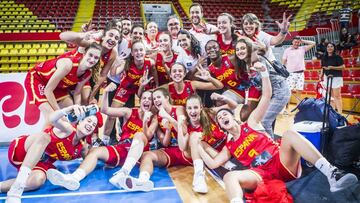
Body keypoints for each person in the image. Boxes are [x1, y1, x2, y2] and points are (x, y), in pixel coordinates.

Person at [194, 64, 358, 203]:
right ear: (222, 127)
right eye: (220, 118)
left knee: (288, 134)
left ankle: (332, 174)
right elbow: (214, 163)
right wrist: (198, 146)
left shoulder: (251, 122)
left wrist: (264, 72)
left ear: (233, 117)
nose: (222, 116)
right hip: (260, 174)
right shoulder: (230, 146)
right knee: (230, 177)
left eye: (225, 114)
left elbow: (266, 96)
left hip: (280, 160)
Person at [45, 84, 157, 191]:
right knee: (95, 151)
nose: (146, 100)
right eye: (144, 98)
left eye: (149, 99)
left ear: (152, 103)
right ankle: (74, 178)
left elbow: (148, 136)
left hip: (138, 152)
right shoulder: (129, 111)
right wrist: (106, 93)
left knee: (139, 135)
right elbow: (105, 110)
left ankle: (127, 174)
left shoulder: (154, 118)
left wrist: (145, 122)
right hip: (122, 148)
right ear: (140, 100)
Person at [3, 105, 102, 203]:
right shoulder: (68, 129)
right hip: (22, 150)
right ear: (80, 121)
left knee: (38, 180)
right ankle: (15, 192)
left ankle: (3, 186)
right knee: (44, 137)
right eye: (89, 121)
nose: (91, 125)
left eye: (94, 125)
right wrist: (64, 111)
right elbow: (52, 119)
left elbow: (90, 160)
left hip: (38, 163)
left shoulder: (82, 148)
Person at [109, 88, 186, 192]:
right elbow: (165, 143)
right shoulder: (157, 118)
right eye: (154, 99)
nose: (156, 100)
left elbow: (184, 131)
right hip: (172, 151)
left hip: (185, 149)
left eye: (159, 97)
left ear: (167, 98)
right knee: (147, 155)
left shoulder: (178, 109)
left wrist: (168, 117)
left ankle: (199, 175)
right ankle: (142, 181)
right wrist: (167, 130)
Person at [24, 42, 102, 126]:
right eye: (90, 55)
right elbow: (48, 90)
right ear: (84, 53)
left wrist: (78, 109)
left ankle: (66, 138)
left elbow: (77, 93)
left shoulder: (87, 73)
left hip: (57, 87)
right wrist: (60, 113)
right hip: (38, 79)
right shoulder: (67, 65)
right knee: (52, 118)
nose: (92, 59)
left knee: (72, 115)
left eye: (96, 57)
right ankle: (43, 138)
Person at [240, 13, 292, 137]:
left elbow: (275, 40)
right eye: (245, 23)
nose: (248, 26)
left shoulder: (261, 36)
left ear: (256, 24)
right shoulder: (242, 40)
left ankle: (270, 148)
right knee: (256, 118)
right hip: (262, 85)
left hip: (274, 83)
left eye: (251, 23)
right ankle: (262, 143)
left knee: (265, 121)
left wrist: (283, 31)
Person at [102, 41, 157, 145]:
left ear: (145, 52)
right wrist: (115, 64)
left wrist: (157, 85)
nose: (138, 52)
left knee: (151, 108)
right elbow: (113, 73)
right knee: (111, 114)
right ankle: (105, 140)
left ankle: (151, 136)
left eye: (141, 50)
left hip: (141, 85)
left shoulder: (150, 62)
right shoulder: (126, 63)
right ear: (131, 53)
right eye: (135, 50)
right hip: (126, 87)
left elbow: (154, 71)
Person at [184, 94, 237, 193]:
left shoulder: (209, 113)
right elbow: (185, 150)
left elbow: (234, 105)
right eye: (189, 108)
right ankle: (199, 176)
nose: (193, 111)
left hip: (228, 148)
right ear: (186, 110)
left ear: (201, 107)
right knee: (195, 137)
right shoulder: (186, 125)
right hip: (212, 155)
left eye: (196, 107)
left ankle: (228, 164)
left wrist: (223, 97)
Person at [59, 25, 122, 104]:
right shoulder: (92, 43)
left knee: (87, 101)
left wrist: (92, 96)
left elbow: (103, 75)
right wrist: (81, 35)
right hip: (68, 70)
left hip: (84, 75)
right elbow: (63, 36)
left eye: (116, 38)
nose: (113, 39)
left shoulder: (113, 53)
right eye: (111, 35)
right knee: (68, 104)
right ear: (103, 37)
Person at [205, 39, 261, 118]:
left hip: (250, 86)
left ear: (220, 49)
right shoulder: (210, 70)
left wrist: (255, 48)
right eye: (209, 48)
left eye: (215, 47)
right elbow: (220, 85)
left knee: (244, 115)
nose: (212, 50)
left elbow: (246, 56)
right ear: (206, 52)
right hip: (236, 91)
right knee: (220, 101)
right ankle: (229, 121)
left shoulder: (230, 57)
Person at [140, 62, 223, 106]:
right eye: (174, 71)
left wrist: (210, 79)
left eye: (180, 71)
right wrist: (142, 86)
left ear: (184, 74)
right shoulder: (167, 87)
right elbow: (142, 95)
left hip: (192, 116)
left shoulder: (192, 84)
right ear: (171, 75)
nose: (177, 73)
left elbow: (219, 86)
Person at [282, 36, 316, 106]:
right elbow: (283, 61)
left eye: (298, 42)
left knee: (299, 92)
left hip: (300, 73)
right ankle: (285, 108)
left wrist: (302, 41)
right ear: (292, 42)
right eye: (295, 42)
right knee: (288, 92)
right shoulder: (287, 50)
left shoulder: (302, 49)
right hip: (290, 74)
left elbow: (313, 43)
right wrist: (283, 71)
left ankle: (298, 108)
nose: (296, 43)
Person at [321, 42, 345, 114]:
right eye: (328, 46)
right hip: (327, 78)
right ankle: (333, 112)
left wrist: (332, 67)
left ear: (334, 48)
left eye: (331, 46)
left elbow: (343, 67)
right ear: (326, 48)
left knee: (337, 96)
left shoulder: (338, 57)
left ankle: (340, 113)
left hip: (336, 78)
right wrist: (321, 74)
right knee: (331, 96)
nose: (330, 48)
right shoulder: (324, 57)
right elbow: (323, 67)